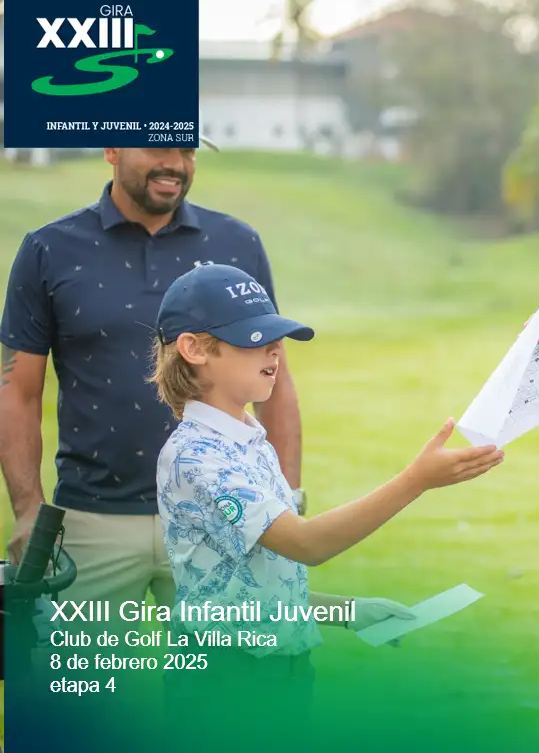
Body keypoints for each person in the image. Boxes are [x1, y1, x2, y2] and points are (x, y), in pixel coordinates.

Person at [151, 263, 504, 748]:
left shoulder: (250, 441)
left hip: (284, 673)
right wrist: (417, 480)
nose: (275, 349)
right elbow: (306, 544)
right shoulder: (196, 457)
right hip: (226, 680)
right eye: (253, 338)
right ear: (194, 349)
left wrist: (350, 611)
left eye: (276, 338)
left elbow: (256, 584)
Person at [0, 142, 304, 636]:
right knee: (82, 683)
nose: (175, 165)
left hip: (220, 518)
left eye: (187, 151)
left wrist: (287, 493)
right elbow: (17, 390)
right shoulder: (49, 249)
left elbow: (277, 377)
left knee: (227, 677)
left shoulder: (237, 243)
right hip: (92, 520)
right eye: (158, 147)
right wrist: (29, 510)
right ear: (112, 149)